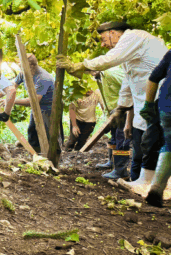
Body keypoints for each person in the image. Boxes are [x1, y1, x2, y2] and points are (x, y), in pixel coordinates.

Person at [58, 21, 167, 195]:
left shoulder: (134, 37)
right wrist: (121, 109)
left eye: (103, 39)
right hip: (146, 103)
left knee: (155, 143)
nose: (103, 44)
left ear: (114, 33)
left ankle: (163, 187)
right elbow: (128, 82)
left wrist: (80, 65)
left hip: (162, 98)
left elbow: (110, 59)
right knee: (144, 143)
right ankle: (145, 182)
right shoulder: (131, 54)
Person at [0, 54, 56, 153]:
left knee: (47, 133)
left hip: (48, 107)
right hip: (37, 106)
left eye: (21, 66)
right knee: (32, 129)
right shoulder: (23, 73)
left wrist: (12, 101)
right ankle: (34, 152)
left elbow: (33, 101)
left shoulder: (43, 78)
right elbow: (11, 87)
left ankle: (49, 155)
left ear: (31, 66)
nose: (20, 68)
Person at [141, 49, 171, 206]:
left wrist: (148, 104)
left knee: (169, 145)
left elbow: (153, 78)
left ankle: (156, 190)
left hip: (166, 106)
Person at [91, 68, 128, 173]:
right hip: (113, 113)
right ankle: (111, 163)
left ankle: (120, 170)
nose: (92, 73)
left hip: (122, 112)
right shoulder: (100, 78)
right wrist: (108, 116)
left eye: (92, 70)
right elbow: (107, 98)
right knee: (114, 139)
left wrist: (122, 107)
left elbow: (129, 87)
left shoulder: (111, 73)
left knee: (121, 141)